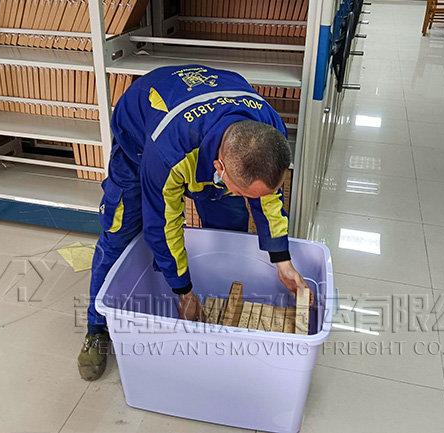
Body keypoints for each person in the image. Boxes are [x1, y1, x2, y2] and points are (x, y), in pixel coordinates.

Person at [78, 64, 312, 381]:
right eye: (242, 192)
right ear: (220, 168)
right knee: (119, 234)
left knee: (229, 231)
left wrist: (283, 262)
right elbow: (163, 226)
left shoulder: (269, 131)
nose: (248, 198)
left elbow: (269, 199)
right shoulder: (168, 153)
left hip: (206, 131)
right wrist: (183, 291)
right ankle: (96, 327)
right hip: (141, 142)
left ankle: (218, 312)